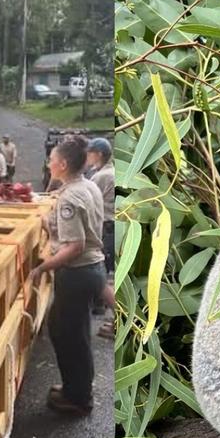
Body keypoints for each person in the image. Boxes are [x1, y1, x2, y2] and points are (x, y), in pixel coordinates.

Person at [28, 135, 105, 416]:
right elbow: (79, 233)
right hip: (91, 269)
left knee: (71, 336)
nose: (48, 165)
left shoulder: (69, 197)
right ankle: (75, 388)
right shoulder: (87, 187)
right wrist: (49, 227)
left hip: (77, 273)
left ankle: (79, 399)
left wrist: (41, 268)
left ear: (61, 164)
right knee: (67, 332)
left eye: (51, 161)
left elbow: (75, 246)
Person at [86, 137, 116, 338]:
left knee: (102, 275)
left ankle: (119, 324)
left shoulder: (101, 177)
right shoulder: (107, 173)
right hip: (112, 227)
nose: (88, 156)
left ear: (99, 154)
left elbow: (86, 203)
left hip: (107, 227)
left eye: (90, 152)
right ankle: (110, 317)